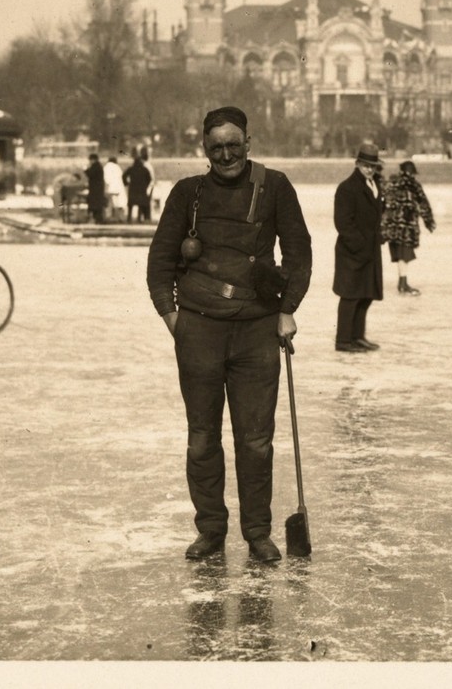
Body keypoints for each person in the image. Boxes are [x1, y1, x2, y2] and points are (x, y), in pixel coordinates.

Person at [146, 105, 313, 563]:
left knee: (256, 440)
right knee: (202, 438)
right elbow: (160, 264)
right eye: (216, 147)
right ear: (204, 149)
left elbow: (299, 254)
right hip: (198, 331)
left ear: (248, 143)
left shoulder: (274, 186)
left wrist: (287, 309)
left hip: (257, 331)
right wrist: (174, 319)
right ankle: (211, 531)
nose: (225, 155)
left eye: (233, 145)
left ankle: (257, 533)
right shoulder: (187, 194)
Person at [333, 142, 386, 351]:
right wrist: (360, 246)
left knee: (366, 295)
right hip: (352, 252)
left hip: (370, 250)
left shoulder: (375, 184)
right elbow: (343, 223)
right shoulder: (347, 188)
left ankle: (357, 337)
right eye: (366, 165)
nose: (369, 169)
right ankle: (343, 340)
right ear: (357, 164)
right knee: (350, 297)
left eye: (373, 166)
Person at [379, 156, 436, 296]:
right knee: (405, 255)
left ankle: (402, 282)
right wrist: (429, 222)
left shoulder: (391, 184)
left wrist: (382, 223)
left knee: (400, 256)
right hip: (407, 228)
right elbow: (424, 205)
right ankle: (403, 284)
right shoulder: (414, 185)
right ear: (412, 173)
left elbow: (381, 202)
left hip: (391, 228)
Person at [123, 151, 155, 223]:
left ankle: (129, 218)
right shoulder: (144, 169)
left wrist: (126, 183)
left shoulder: (131, 169)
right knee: (140, 204)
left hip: (133, 188)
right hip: (141, 189)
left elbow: (124, 176)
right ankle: (139, 219)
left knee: (131, 204)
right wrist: (145, 185)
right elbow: (149, 179)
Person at [85, 153, 107, 224]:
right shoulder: (98, 166)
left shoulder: (96, 166)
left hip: (95, 189)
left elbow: (90, 174)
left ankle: (97, 219)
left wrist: (85, 169)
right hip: (98, 188)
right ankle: (97, 219)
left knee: (95, 204)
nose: (90, 161)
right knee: (97, 204)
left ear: (93, 160)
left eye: (90, 160)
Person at [104, 155, 125, 222]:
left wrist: (106, 189)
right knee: (118, 203)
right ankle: (120, 218)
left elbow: (106, 179)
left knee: (110, 203)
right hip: (118, 188)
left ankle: (109, 217)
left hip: (110, 188)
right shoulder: (117, 167)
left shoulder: (106, 167)